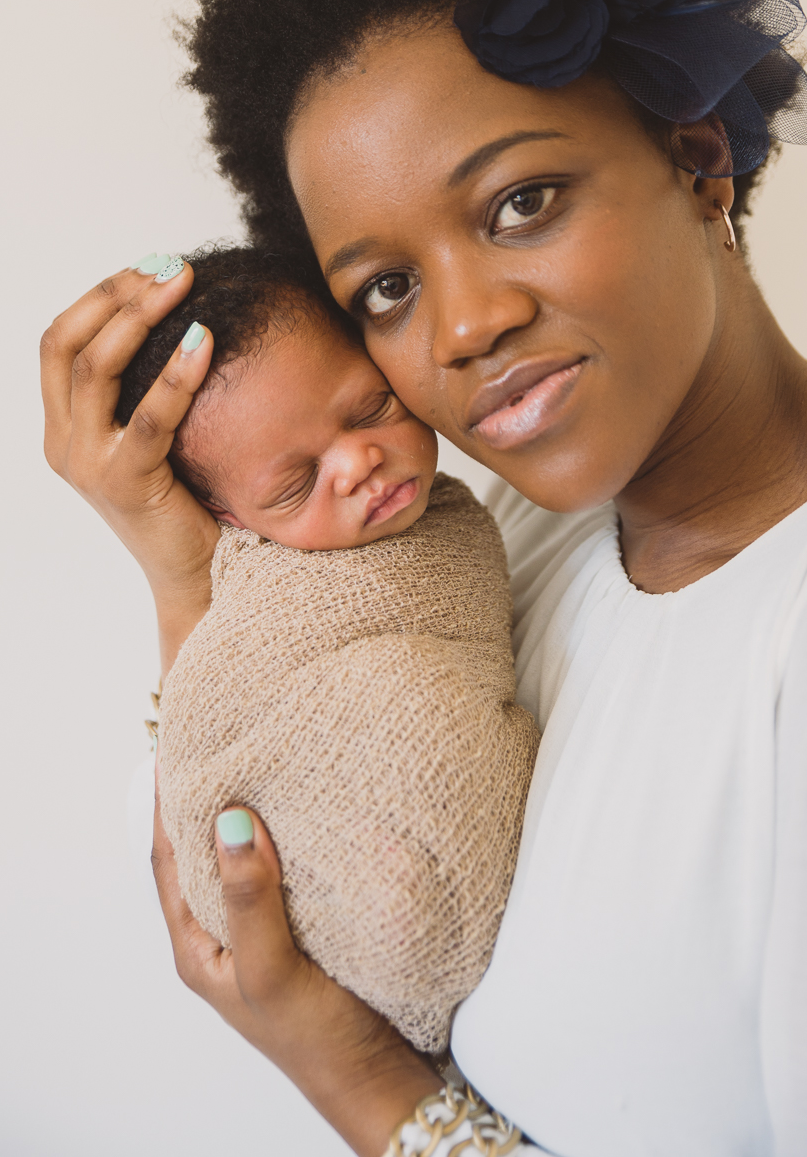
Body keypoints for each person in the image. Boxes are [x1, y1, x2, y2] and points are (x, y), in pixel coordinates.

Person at [41, 0, 807, 1157]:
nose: (460, 327)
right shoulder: (498, 543)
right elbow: (287, 767)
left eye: (519, 203)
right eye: (384, 287)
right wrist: (176, 549)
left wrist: (358, 1084)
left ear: (696, 158)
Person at [117, 243, 538, 1055]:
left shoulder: (467, 519)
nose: (357, 463)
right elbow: (218, 735)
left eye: (371, 409)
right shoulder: (255, 591)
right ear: (232, 520)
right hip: (339, 896)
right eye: (293, 485)